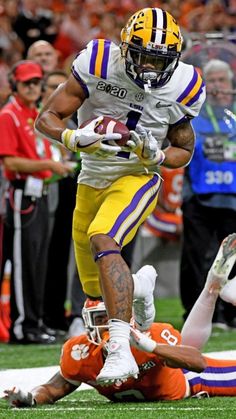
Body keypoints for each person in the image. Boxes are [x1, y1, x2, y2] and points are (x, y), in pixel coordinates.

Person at [35, 7, 206, 384]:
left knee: (104, 238)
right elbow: (46, 117)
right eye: (142, 55)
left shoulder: (185, 84)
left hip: (138, 176)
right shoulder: (97, 60)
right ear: (124, 46)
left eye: (158, 60)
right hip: (91, 178)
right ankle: (139, 286)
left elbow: (184, 151)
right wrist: (71, 137)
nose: (148, 67)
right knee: (93, 289)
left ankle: (120, 350)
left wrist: (157, 154)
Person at [4, 233, 236, 406]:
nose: (106, 325)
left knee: (185, 354)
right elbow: (53, 388)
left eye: (109, 317)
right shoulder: (80, 352)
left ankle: (212, 288)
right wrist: (31, 397)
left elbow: (197, 362)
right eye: (99, 318)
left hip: (188, 381)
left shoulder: (148, 335)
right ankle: (211, 288)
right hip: (160, 374)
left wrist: (150, 346)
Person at [0, 60, 72, 344]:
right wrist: (48, 165)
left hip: (39, 192)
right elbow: (10, 161)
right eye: (26, 83)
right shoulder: (9, 115)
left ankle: (35, 321)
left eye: (35, 83)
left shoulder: (31, 113)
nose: (31, 88)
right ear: (14, 84)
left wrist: (54, 162)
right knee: (23, 262)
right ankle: (22, 325)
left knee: (39, 261)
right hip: (22, 194)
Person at [180, 59, 236, 328]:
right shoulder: (194, 114)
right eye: (211, 80)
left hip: (232, 199)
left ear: (230, 84)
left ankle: (230, 315)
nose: (216, 86)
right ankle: (195, 313)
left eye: (221, 80)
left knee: (232, 260)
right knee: (196, 257)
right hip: (199, 198)